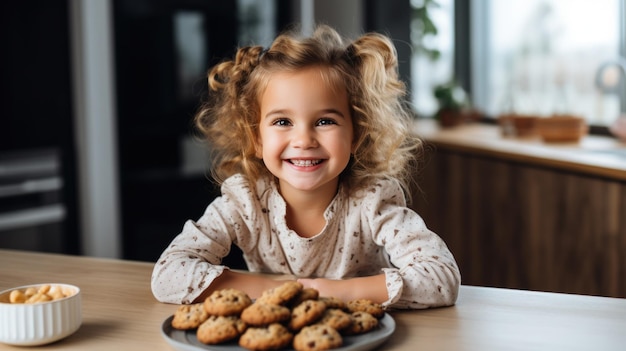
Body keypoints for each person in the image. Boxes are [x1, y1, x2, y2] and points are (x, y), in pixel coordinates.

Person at [151, 24, 460, 309]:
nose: (303, 140)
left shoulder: (372, 201)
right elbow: (167, 276)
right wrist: (277, 289)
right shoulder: (244, 201)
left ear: (356, 134)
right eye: (282, 121)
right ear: (256, 138)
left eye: (325, 121)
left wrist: (331, 292)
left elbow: (441, 278)